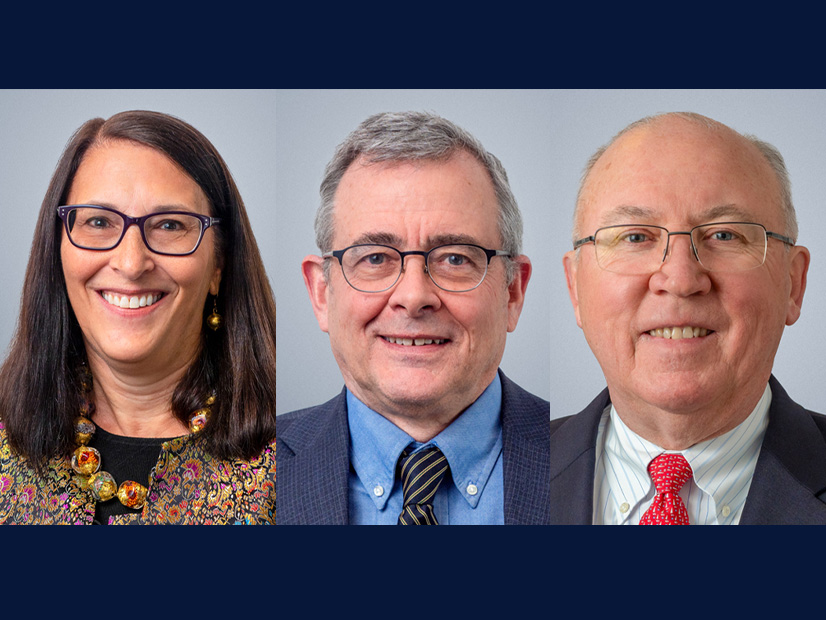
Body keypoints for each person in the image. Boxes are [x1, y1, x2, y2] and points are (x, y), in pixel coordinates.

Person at [0, 110, 277, 524]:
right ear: (57, 251)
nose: (131, 263)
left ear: (218, 265)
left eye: (169, 225)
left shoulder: (287, 460)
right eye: (98, 221)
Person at [277, 111, 550, 525]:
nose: (413, 296)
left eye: (455, 259)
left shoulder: (572, 455)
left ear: (513, 291)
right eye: (375, 259)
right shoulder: (245, 469)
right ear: (321, 293)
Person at [555, 111, 826, 524]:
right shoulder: (521, 469)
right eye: (635, 237)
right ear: (576, 287)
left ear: (794, 283)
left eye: (724, 235)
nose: (680, 279)